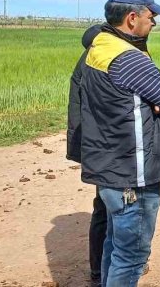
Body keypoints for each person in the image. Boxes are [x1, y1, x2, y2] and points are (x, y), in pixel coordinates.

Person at [69, 0, 160, 286]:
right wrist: (155, 105)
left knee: (113, 245)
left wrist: (149, 103)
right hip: (133, 178)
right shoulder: (129, 58)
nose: (154, 20)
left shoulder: (98, 48)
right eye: (150, 14)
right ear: (132, 18)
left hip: (108, 169)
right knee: (131, 255)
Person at [66, 24, 105, 286]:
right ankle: (104, 270)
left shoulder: (88, 60)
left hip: (97, 148)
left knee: (103, 207)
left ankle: (98, 271)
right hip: (108, 149)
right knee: (111, 209)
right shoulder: (100, 62)